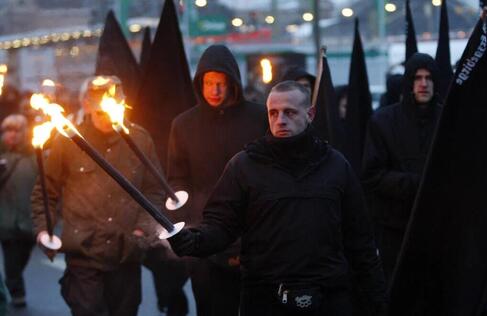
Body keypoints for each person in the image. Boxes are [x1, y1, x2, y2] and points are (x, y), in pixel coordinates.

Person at [168, 81, 386, 316]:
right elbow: (221, 225)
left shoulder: (335, 166)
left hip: (328, 297)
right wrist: (194, 240)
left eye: (290, 112)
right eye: (273, 112)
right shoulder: (244, 166)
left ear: (310, 114)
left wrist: (376, 300)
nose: (280, 119)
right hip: (265, 299)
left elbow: (360, 241)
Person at [31, 76, 165, 316]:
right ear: (87, 104)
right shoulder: (68, 141)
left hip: (126, 255)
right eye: (99, 104)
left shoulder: (140, 140)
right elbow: (44, 192)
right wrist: (44, 230)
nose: (105, 111)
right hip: (84, 256)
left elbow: (154, 191)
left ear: (122, 103)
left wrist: (141, 230)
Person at [167, 44, 268, 315]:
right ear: (199, 83)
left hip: (254, 234)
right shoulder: (184, 125)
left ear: (233, 83)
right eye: (209, 83)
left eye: (221, 83)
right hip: (204, 235)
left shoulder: (259, 118)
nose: (215, 90)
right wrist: (181, 203)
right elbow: (177, 176)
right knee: (211, 307)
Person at [362, 53, 442, 282]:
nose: (424, 84)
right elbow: (371, 175)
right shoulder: (383, 122)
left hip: (437, 228)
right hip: (395, 229)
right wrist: (416, 183)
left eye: (428, 78)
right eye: (418, 78)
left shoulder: (446, 119)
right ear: (409, 82)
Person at [0, 114, 37, 308]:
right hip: (6, 221)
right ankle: (17, 294)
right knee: (12, 260)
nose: (11, 135)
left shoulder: (34, 157)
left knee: (22, 257)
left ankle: (13, 284)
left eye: (16, 130)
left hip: (29, 220)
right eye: (7, 130)